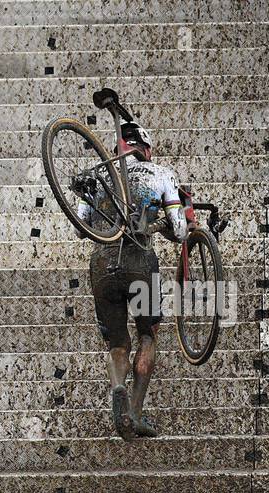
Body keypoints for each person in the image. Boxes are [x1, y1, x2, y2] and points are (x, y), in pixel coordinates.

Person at [76, 116, 185, 440]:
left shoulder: (99, 178)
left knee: (117, 342)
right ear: (145, 147)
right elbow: (179, 231)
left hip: (102, 263)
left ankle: (118, 387)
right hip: (141, 261)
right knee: (147, 335)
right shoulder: (161, 174)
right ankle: (134, 411)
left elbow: (80, 226)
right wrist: (164, 225)